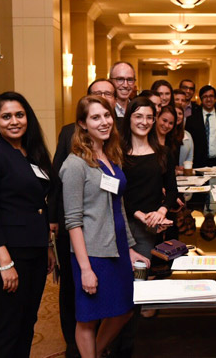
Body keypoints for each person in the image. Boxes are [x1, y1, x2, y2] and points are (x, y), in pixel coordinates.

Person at [59, 95, 149, 358]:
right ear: (82, 124)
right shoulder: (75, 164)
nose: (104, 122)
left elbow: (117, 205)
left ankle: (94, 354)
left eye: (107, 115)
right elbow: (73, 221)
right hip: (93, 253)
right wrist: (85, 269)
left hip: (118, 248)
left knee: (124, 310)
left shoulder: (111, 156)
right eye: (95, 117)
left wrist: (130, 247)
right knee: (88, 318)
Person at [0, 91, 55, 357]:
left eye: (19, 115)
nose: (14, 121)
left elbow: (39, 205)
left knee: (27, 323)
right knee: (7, 327)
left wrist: (48, 247)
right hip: (6, 254)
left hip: (35, 251)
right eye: (6, 116)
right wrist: (5, 264)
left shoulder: (33, 154)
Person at [48, 78, 117, 356]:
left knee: (111, 301)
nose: (103, 120)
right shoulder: (70, 135)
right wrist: (52, 217)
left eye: (108, 95)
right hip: (77, 227)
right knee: (75, 294)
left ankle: (95, 348)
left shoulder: (113, 137)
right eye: (98, 94)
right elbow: (58, 178)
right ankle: (74, 347)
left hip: (110, 227)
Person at [120, 96, 177, 258]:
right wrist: (138, 214)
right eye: (138, 116)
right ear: (129, 118)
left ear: (154, 121)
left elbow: (172, 190)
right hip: (123, 224)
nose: (144, 122)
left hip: (151, 227)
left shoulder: (163, 153)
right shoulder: (117, 154)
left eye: (149, 117)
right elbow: (116, 193)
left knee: (142, 274)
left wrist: (161, 211)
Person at [184, 85, 216, 168]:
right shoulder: (192, 120)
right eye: (205, 97)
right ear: (201, 99)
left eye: (211, 96)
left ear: (215, 98)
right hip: (199, 163)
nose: (208, 99)